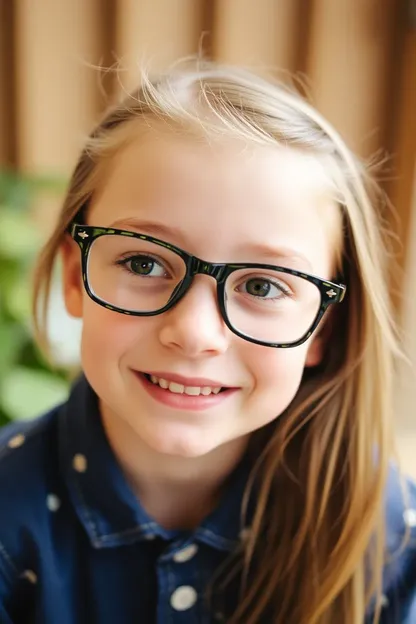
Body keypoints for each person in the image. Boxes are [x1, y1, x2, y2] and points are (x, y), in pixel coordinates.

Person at [0, 60, 415, 624]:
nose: (194, 333)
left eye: (264, 285)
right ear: (76, 279)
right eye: (144, 261)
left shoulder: (383, 527)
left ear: (322, 327)